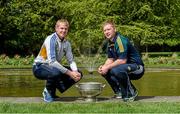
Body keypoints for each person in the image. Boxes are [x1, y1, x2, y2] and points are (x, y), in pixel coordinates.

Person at [32, 19, 82, 102]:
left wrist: (75, 72)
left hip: (52, 68)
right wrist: (70, 73)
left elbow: (71, 60)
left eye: (66, 29)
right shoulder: (51, 39)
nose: (64, 30)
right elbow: (52, 62)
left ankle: (52, 91)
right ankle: (47, 91)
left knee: (79, 74)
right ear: (56, 28)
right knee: (56, 71)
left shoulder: (67, 43)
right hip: (39, 67)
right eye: (61, 28)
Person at [98, 20, 144, 102]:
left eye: (108, 29)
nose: (106, 32)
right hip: (124, 67)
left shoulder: (120, 41)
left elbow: (122, 60)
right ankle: (119, 91)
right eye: (104, 30)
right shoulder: (110, 43)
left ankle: (131, 92)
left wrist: (107, 67)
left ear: (114, 29)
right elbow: (110, 59)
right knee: (106, 70)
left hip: (137, 68)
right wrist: (104, 67)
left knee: (117, 69)